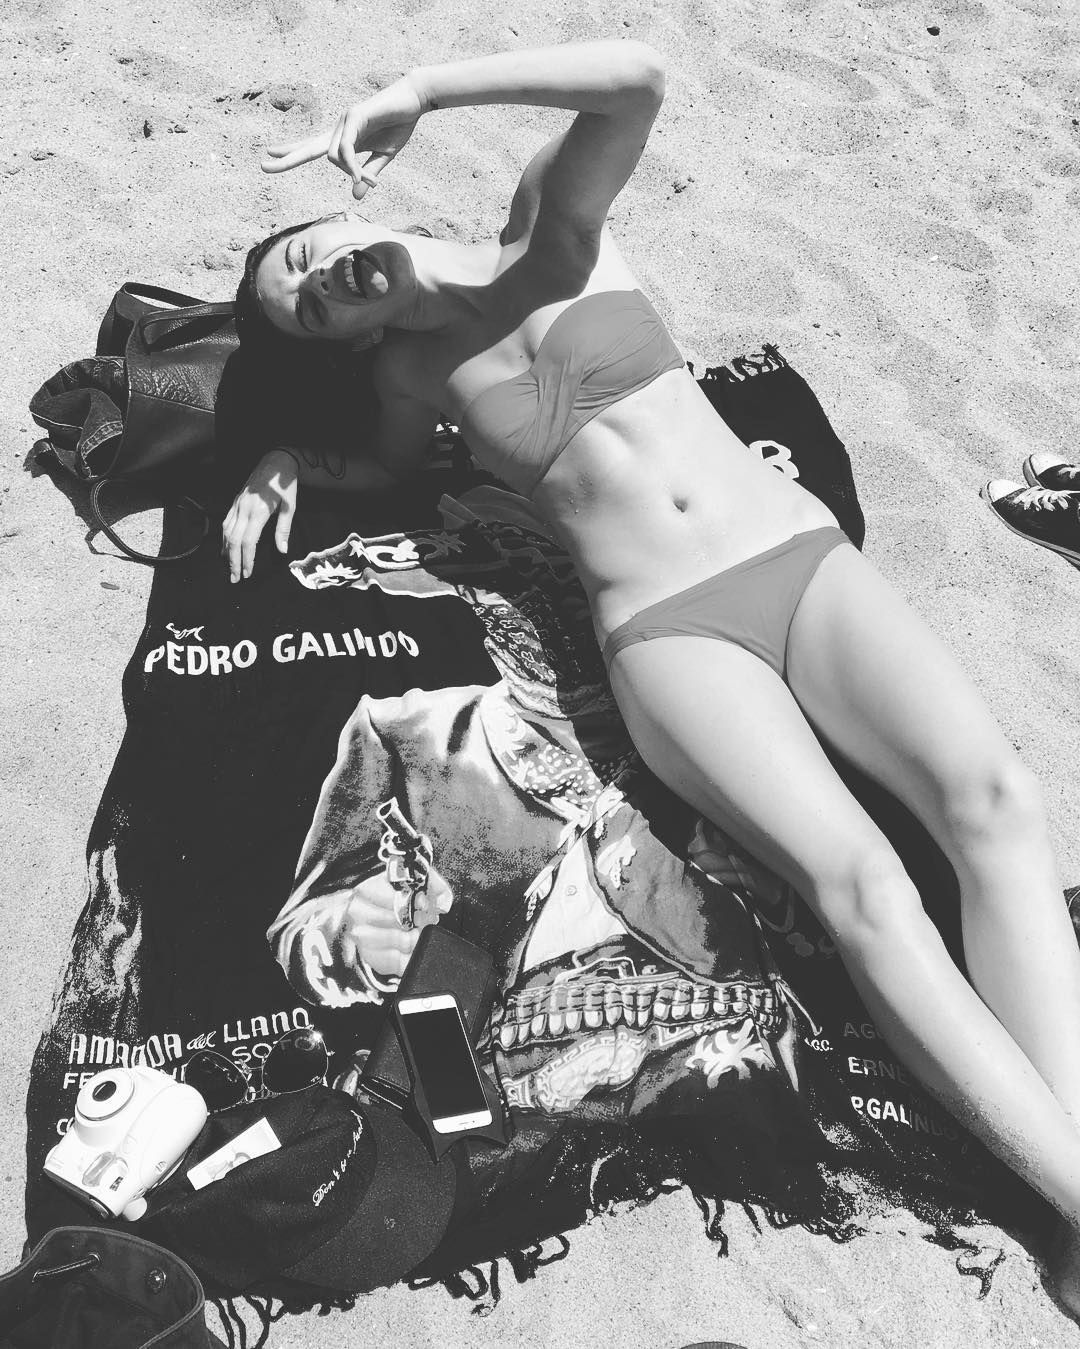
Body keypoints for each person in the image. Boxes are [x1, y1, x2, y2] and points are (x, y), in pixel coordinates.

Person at [223, 40, 1080, 1308]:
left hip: (797, 558)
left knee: (998, 804)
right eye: (310, 309)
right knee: (863, 885)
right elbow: (386, 472)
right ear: (345, 339)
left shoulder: (547, 225)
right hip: (668, 633)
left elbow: (638, 76)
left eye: (306, 254)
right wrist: (285, 461)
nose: (324, 282)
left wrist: (422, 91)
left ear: (349, 211)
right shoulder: (409, 375)